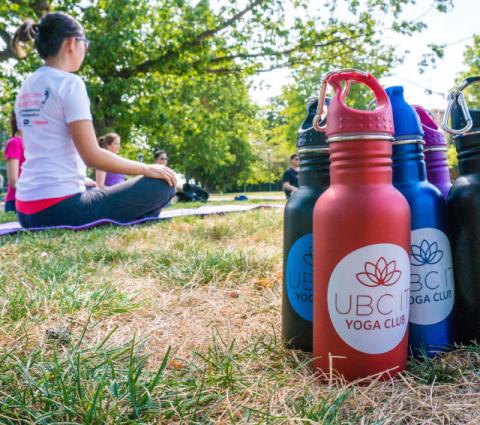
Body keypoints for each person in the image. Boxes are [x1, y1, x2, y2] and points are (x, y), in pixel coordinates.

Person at [12, 13, 176, 228]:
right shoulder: (69, 83)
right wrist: (146, 168)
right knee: (162, 184)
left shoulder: (26, 86)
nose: (85, 49)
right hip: (59, 208)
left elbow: (31, 145)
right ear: (72, 43)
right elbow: (92, 156)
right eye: (85, 43)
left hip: (25, 209)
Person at [3, 111, 25, 212]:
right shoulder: (14, 143)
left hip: (28, 200)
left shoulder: (33, 144)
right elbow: (13, 180)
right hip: (15, 202)